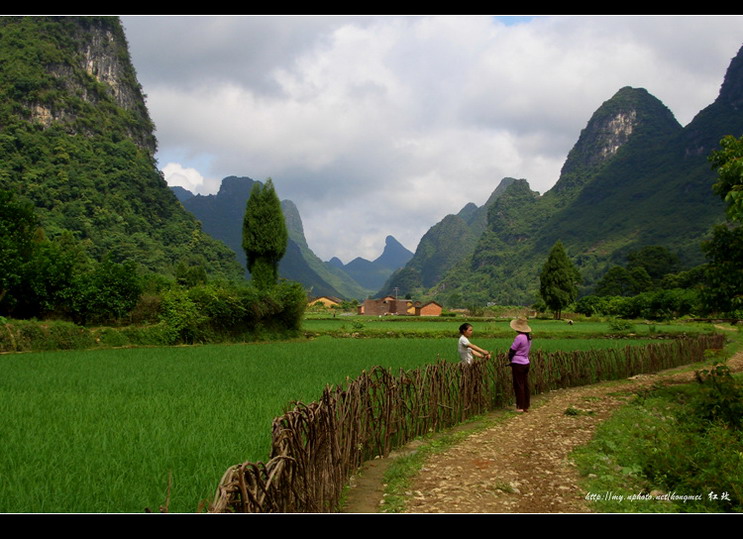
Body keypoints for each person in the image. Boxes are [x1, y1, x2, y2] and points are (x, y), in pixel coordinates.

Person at [508, 317, 532, 412]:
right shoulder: (529, 337)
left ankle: (520, 406)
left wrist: (510, 359)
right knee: (525, 384)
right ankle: (526, 405)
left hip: (518, 363)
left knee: (518, 385)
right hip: (526, 362)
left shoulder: (519, 337)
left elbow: (512, 350)